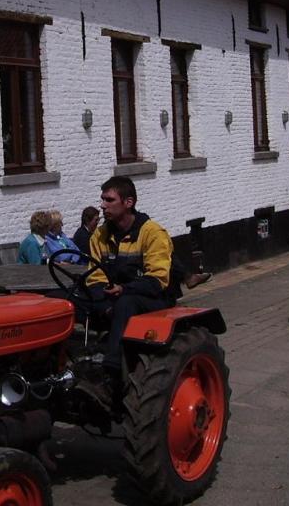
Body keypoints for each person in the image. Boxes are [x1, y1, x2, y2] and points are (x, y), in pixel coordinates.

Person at [74, 176, 177, 411]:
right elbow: (96, 276)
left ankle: (110, 378)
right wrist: (102, 300)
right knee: (68, 301)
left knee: (125, 304)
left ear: (128, 202)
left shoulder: (152, 233)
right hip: (114, 296)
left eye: (109, 200)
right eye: (102, 199)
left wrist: (124, 289)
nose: (102, 205)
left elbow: (158, 279)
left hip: (153, 298)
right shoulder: (100, 236)